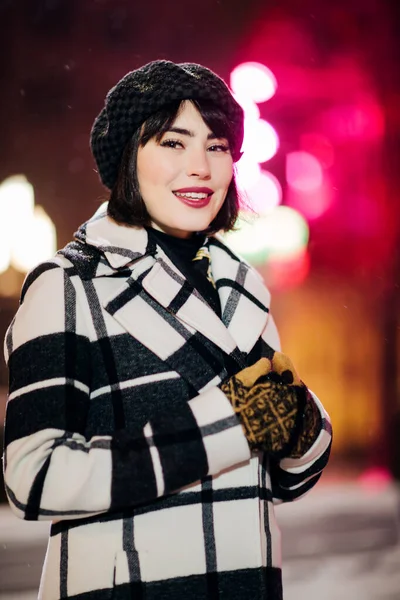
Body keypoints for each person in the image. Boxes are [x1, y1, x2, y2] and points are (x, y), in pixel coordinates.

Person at [2, 60, 332, 600]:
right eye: (173, 143)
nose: (200, 166)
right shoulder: (67, 285)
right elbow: (33, 478)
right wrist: (227, 425)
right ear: (128, 156)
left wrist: (299, 428)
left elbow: (274, 482)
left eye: (218, 146)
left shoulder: (239, 285)